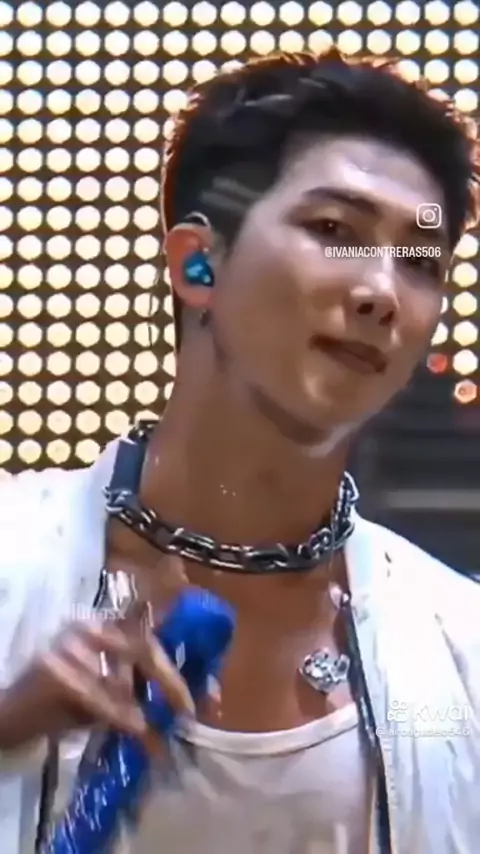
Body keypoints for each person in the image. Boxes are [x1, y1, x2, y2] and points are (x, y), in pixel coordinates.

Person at [0, 47, 479, 854]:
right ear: (197, 261)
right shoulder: (11, 555)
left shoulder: (458, 644)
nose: (381, 291)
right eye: (334, 231)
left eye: (421, 262)